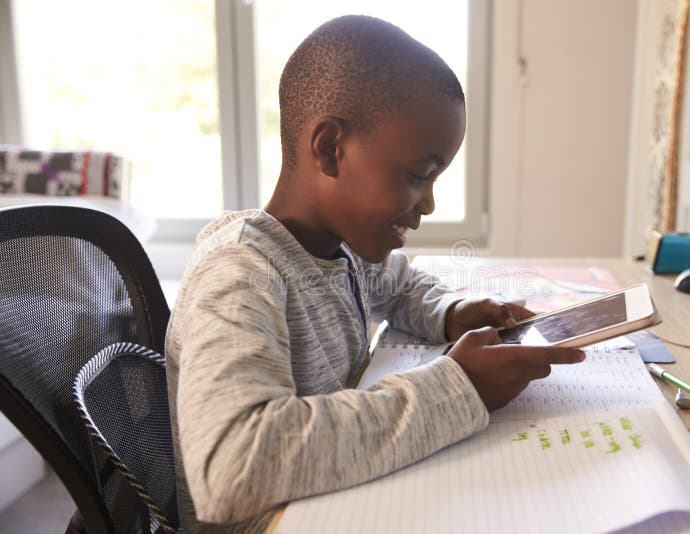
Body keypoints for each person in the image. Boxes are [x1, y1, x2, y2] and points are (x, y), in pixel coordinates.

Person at [165, 15, 585, 533]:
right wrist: (459, 388)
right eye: (417, 176)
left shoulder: (342, 250)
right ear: (329, 149)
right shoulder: (240, 274)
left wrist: (451, 312)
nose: (428, 203)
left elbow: (404, 284)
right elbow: (232, 466)